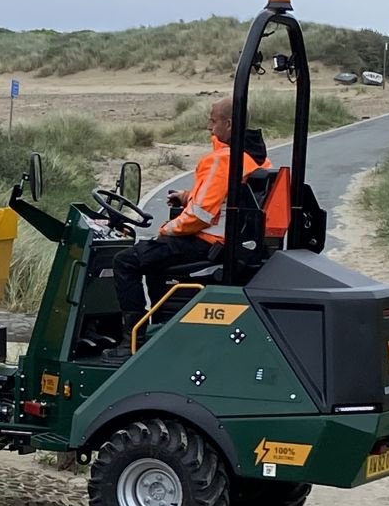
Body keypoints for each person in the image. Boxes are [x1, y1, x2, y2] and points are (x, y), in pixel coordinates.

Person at [104, 97, 269, 361]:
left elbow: (199, 216)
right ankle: (161, 325)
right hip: (230, 241)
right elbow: (224, 196)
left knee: (126, 261)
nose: (208, 127)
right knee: (153, 260)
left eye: (213, 121)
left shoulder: (222, 159)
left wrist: (167, 229)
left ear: (228, 124)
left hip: (208, 242)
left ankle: (131, 341)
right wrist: (187, 195)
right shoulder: (252, 157)